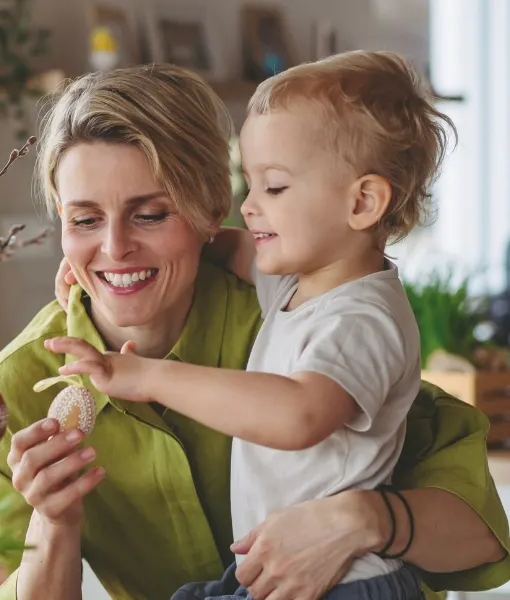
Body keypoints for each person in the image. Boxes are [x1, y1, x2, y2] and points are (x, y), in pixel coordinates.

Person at [0, 62, 510, 600]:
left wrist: (363, 520)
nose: (113, 248)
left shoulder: (302, 314)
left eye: (151, 214)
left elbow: (484, 533)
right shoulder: (15, 390)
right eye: (85, 220)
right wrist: (53, 524)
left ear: (212, 209)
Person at [46, 50, 452, 599]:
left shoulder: (363, 318)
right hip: (276, 573)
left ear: (362, 202)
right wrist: (100, 259)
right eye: (250, 185)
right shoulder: (297, 282)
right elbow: (211, 241)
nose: (249, 207)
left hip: (344, 583)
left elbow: (297, 413)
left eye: (275, 188)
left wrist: (144, 376)